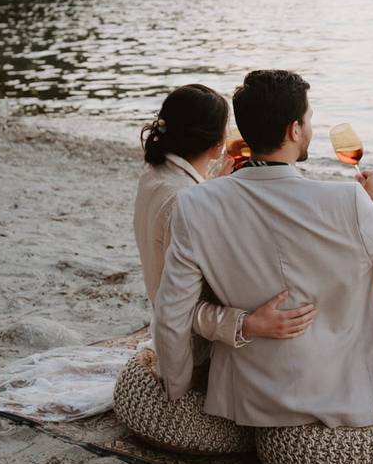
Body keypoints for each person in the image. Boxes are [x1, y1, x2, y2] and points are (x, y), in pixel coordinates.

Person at [154, 70, 373, 428]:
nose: (310, 127)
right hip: (342, 391)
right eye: (309, 118)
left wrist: (177, 392)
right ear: (294, 130)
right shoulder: (345, 201)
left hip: (251, 396)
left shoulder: (193, 204)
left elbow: (172, 312)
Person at [133, 83, 316, 369]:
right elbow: (182, 307)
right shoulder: (183, 200)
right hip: (194, 351)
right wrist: (250, 324)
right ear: (219, 143)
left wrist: (214, 185)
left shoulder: (155, 176)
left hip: (168, 327)